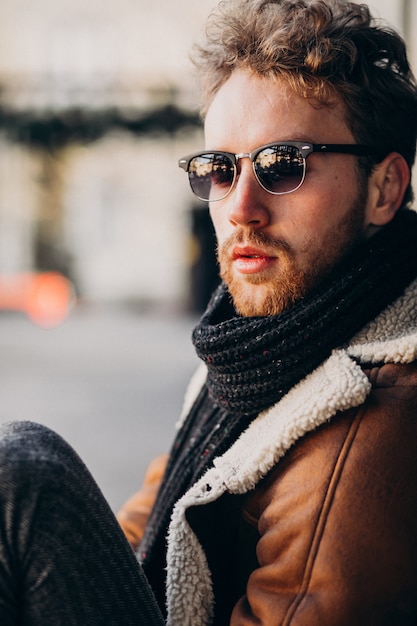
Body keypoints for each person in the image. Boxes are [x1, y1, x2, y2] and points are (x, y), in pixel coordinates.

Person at [1, 0, 417, 624]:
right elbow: (138, 541)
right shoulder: (254, 348)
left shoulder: (375, 425)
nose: (241, 207)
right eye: (220, 168)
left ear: (384, 188)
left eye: (284, 165)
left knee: (22, 473)